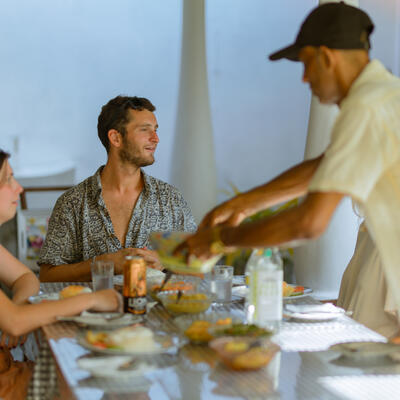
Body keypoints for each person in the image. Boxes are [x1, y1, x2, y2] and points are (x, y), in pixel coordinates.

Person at [177, 3, 400, 337]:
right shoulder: (384, 95)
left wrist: (221, 241)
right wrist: (243, 204)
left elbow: (309, 223)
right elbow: (326, 165)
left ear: (327, 57)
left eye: (307, 63)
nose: (305, 78)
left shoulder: (366, 107)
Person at [0, 149, 122, 399]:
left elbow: (25, 278)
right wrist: (92, 299)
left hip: (8, 367)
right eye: (8, 179)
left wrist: (18, 306)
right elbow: (15, 322)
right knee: (85, 381)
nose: (19, 188)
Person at [39, 95, 196, 282]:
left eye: (155, 130)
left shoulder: (171, 199)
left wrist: (164, 261)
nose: (156, 139)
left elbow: (199, 266)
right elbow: (47, 276)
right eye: (145, 130)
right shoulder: (72, 203)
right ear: (115, 138)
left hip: (156, 302)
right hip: (95, 302)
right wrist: (102, 264)